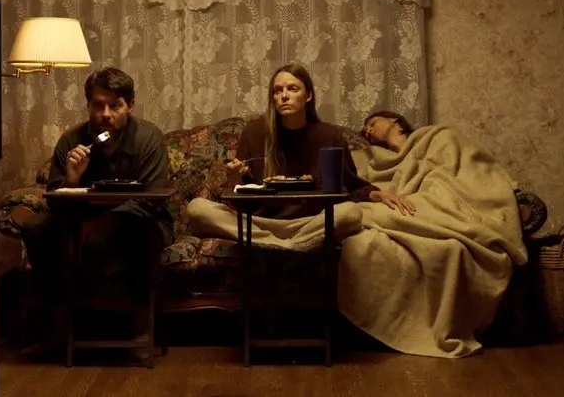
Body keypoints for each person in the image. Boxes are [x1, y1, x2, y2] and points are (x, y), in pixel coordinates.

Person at [21, 67, 172, 341]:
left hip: (137, 220)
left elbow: (153, 200)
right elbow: (55, 203)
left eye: (115, 106)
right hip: (82, 219)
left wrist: (98, 226)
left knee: (143, 232)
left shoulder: (148, 139)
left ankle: (141, 325)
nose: (106, 114)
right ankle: (56, 326)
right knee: (36, 228)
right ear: (88, 105)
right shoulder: (72, 141)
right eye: (98, 105)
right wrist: (71, 180)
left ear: (130, 106)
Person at [185, 63, 379, 249]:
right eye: (277, 91)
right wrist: (235, 175)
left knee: (351, 213)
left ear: (308, 95)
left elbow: (350, 184)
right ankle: (290, 244)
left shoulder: (329, 135)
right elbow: (239, 195)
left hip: (310, 222)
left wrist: (372, 193)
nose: (284, 96)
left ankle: (273, 243)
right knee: (197, 208)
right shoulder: (254, 132)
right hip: (259, 223)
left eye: (293, 89)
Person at [360, 110, 417, 216]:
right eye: (366, 132)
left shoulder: (426, 138)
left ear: (393, 119)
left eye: (372, 124)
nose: (368, 131)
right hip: (393, 204)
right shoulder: (377, 161)